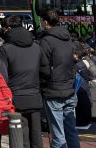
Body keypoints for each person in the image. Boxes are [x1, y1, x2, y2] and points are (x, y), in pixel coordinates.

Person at [0, 15, 44, 148]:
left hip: (15, 97)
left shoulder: (5, 49)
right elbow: (45, 71)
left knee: (19, 137)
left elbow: (0, 76)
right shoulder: (36, 47)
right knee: (36, 135)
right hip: (34, 95)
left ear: (8, 28)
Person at [39, 9, 80, 148]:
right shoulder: (67, 38)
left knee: (58, 135)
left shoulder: (46, 40)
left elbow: (44, 68)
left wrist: (43, 85)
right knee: (71, 131)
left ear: (45, 22)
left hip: (53, 90)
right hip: (69, 88)